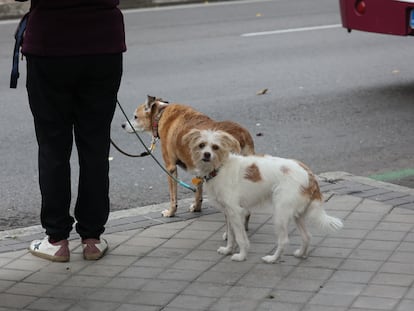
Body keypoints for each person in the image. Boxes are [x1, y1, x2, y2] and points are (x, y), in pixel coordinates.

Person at [18, 0, 126, 262]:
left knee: (53, 145)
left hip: (50, 45)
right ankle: (92, 239)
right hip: (103, 44)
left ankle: (57, 240)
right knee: (95, 144)